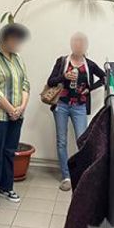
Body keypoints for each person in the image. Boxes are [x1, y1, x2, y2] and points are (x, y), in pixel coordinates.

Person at [46, 32, 105, 191]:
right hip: (61, 105)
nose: (78, 46)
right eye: (76, 43)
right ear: (72, 45)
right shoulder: (62, 61)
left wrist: (89, 89)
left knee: (83, 141)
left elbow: (104, 78)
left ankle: (80, 175)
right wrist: (64, 76)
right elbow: (50, 81)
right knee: (62, 141)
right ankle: (66, 176)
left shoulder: (89, 65)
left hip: (79, 106)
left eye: (81, 43)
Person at [0, 23, 30, 209]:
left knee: (10, 151)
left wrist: (21, 107)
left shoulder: (18, 59)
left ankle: (6, 187)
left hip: (17, 115)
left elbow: (25, 84)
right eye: (16, 39)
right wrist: (10, 109)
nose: (18, 43)